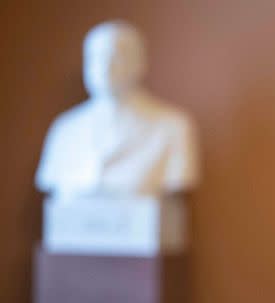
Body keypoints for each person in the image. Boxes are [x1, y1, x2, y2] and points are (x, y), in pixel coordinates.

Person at [36, 20, 199, 199]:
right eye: (96, 57)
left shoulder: (172, 127)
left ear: (140, 63)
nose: (105, 67)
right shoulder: (65, 129)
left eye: (115, 56)